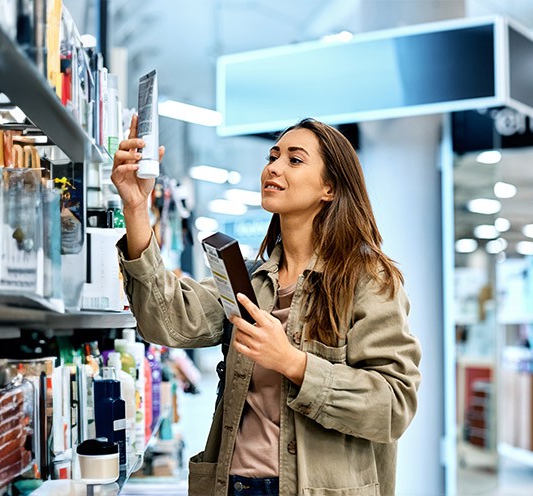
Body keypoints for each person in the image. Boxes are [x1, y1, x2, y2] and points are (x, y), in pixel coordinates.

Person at [111, 114, 421, 496]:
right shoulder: (250, 280)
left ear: (329, 187)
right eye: (272, 156)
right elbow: (167, 320)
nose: (272, 167)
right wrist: (136, 208)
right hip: (235, 487)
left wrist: (292, 362)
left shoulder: (368, 280)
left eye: (294, 159)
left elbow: (393, 406)